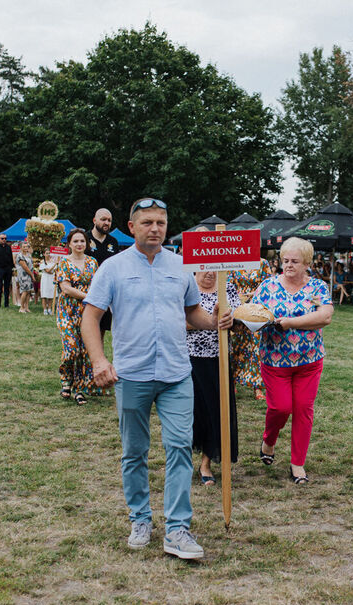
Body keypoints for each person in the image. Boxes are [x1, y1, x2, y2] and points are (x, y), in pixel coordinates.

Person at [81, 197, 232, 560]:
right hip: (131, 375)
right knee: (134, 452)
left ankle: (178, 529)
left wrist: (215, 321)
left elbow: (193, 311)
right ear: (132, 227)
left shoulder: (181, 266)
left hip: (177, 374)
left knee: (180, 447)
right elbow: (90, 317)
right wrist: (99, 360)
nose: (155, 228)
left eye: (161, 223)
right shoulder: (113, 268)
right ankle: (140, 518)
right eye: (147, 222)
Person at [252, 238, 333, 484]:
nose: (288, 265)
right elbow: (253, 312)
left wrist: (290, 322)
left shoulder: (317, 288)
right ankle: (269, 440)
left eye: (294, 261)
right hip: (274, 361)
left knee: (303, 411)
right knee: (280, 408)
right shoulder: (267, 286)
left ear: (307, 263)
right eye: (285, 260)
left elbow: (325, 316)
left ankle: (297, 464)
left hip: (309, 361)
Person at [187, 270, 240, 486]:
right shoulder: (188, 286)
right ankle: (183, 459)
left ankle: (206, 463)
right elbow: (173, 320)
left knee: (215, 412)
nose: (210, 272)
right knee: (191, 412)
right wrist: (209, 321)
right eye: (204, 267)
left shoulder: (227, 287)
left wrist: (233, 321)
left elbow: (237, 321)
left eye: (214, 268)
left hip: (219, 359)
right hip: (187, 359)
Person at [56, 228, 99, 404]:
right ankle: (66, 379)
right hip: (67, 311)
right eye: (76, 241)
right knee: (71, 348)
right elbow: (65, 288)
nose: (80, 244)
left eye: (82, 241)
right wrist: (88, 296)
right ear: (69, 244)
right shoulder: (64, 263)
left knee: (84, 350)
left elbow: (98, 285)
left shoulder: (93, 262)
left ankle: (79, 389)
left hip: (87, 312)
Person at [231, 258, 274, 401]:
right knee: (235, 345)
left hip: (256, 309)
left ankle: (257, 387)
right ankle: (232, 382)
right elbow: (228, 285)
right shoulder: (233, 261)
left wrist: (254, 294)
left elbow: (269, 285)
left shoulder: (263, 263)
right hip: (238, 307)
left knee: (255, 348)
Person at [86, 208, 121, 334]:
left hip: (106, 291)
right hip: (87, 290)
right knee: (87, 327)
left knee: (101, 329)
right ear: (95, 220)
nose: (107, 223)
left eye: (109, 220)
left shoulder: (113, 242)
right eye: (103, 219)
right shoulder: (85, 239)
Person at [16, 240, 36, 314]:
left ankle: (27, 307)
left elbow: (31, 250)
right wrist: (32, 275)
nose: (25, 248)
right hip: (24, 276)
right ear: (20, 247)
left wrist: (29, 244)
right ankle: (21, 307)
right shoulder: (20, 256)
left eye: (26, 246)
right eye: (23, 247)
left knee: (28, 291)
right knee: (24, 291)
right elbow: (25, 267)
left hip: (29, 275)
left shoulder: (28, 255)